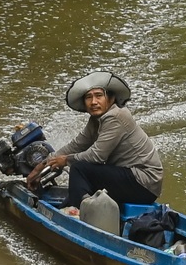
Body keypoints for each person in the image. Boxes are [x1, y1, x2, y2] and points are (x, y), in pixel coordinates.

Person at [28, 69, 162, 208]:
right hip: (130, 180)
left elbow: (97, 156)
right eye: (88, 97)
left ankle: (77, 212)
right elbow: (75, 145)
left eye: (99, 96)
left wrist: (66, 160)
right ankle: (72, 207)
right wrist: (38, 169)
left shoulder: (116, 116)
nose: (93, 102)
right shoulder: (95, 120)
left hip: (144, 183)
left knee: (79, 168)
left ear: (111, 99)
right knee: (77, 181)